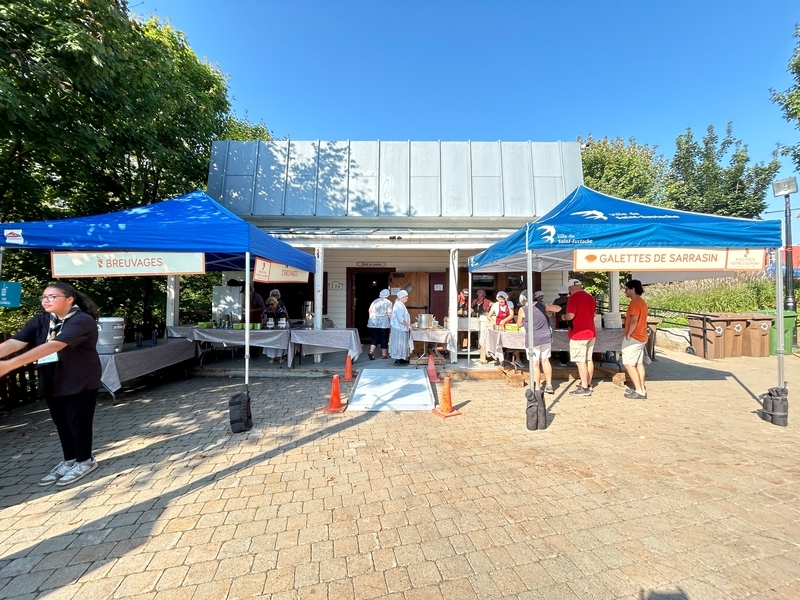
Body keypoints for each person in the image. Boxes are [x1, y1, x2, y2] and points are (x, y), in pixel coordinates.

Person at [0, 283, 101, 486]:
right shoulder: (41, 321)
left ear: (69, 299)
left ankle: (85, 461)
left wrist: (10, 364)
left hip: (79, 380)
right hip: (52, 379)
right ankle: (70, 459)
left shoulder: (82, 320)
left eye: (52, 296)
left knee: (77, 423)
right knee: (61, 424)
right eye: (44, 297)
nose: (46, 300)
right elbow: (15, 342)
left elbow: (55, 345)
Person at [518, 290, 561, 393]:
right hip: (546, 336)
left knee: (535, 363)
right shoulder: (542, 305)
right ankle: (549, 385)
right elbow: (558, 308)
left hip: (533, 338)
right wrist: (549, 311)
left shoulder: (523, 309)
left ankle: (537, 387)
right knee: (545, 361)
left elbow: (519, 324)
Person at [562, 279, 596, 396]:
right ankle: (588, 383)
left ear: (571, 288)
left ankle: (584, 387)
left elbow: (570, 316)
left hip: (578, 334)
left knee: (580, 361)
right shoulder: (590, 297)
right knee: (588, 359)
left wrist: (563, 317)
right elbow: (594, 314)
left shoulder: (573, 298)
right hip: (591, 332)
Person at [622, 279, 649, 399]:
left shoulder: (634, 303)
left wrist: (628, 334)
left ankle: (639, 390)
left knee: (628, 363)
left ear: (633, 289)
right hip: (642, 336)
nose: (625, 292)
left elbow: (634, 320)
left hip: (634, 337)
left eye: (627, 289)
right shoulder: (642, 302)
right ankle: (641, 387)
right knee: (638, 363)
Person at [367, 289, 393, 360]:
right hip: (383, 324)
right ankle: (384, 354)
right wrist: (392, 322)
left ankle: (371, 352)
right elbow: (389, 313)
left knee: (374, 337)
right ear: (387, 295)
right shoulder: (388, 302)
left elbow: (370, 310)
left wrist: (371, 318)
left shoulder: (375, 301)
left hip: (373, 323)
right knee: (384, 338)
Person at [389, 290, 413, 365]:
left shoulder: (400, 304)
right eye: (406, 296)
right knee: (399, 343)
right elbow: (400, 319)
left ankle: (401, 358)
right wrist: (408, 325)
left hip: (400, 328)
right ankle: (398, 360)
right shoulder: (399, 306)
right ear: (402, 297)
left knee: (402, 344)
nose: (407, 298)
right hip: (399, 328)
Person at [263, 297, 287, 363]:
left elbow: (283, 320)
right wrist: (265, 320)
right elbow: (264, 319)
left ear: (276, 303)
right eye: (269, 305)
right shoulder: (266, 310)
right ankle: (272, 356)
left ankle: (282, 356)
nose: (270, 306)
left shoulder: (280, 310)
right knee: (270, 340)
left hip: (280, 328)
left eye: (272, 304)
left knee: (281, 340)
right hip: (270, 328)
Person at [552, 286, 571, 366]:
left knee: (561, 339)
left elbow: (552, 310)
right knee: (569, 338)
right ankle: (570, 357)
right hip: (570, 321)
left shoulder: (557, 301)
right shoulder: (570, 300)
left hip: (559, 321)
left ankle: (563, 360)